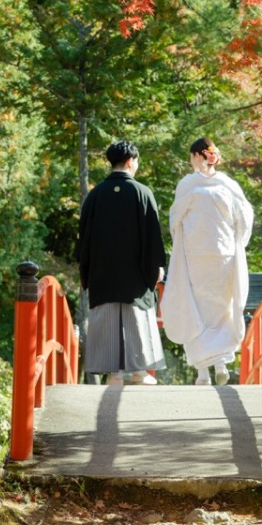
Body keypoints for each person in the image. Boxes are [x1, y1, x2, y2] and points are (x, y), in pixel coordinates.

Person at [160, 137, 254, 385]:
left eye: (191, 157)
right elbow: (244, 220)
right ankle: (220, 362)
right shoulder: (228, 185)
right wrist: (237, 243)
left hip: (196, 255)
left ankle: (204, 372)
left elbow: (175, 221)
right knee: (222, 308)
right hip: (223, 254)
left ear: (198, 156)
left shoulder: (187, 185)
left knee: (195, 308)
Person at [78, 140, 167, 386]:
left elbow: (83, 237)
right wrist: (157, 267)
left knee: (106, 317)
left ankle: (113, 374)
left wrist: (85, 269)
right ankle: (139, 373)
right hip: (135, 273)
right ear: (130, 161)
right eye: (136, 161)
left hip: (102, 271)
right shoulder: (142, 193)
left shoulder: (95, 195)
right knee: (137, 317)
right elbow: (152, 237)